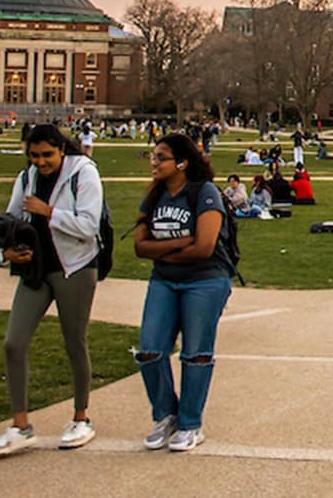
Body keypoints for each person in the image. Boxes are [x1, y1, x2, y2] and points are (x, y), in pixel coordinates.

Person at [0, 124, 105, 458]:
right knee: (13, 342)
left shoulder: (84, 173)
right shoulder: (26, 179)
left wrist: (49, 212)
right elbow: (8, 223)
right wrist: (5, 253)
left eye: (47, 154)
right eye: (34, 155)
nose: (41, 162)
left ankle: (81, 417)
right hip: (36, 270)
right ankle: (20, 426)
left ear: (61, 149)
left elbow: (89, 227)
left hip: (75, 268)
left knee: (74, 341)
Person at [133, 133, 233, 452]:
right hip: (164, 280)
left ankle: (190, 424)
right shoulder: (153, 196)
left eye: (160, 157)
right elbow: (139, 246)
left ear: (182, 162)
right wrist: (178, 245)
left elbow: (204, 247)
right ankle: (166, 415)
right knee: (149, 349)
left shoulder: (205, 193)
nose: (154, 162)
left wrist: (160, 251)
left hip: (205, 280)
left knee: (196, 353)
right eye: (153, 156)